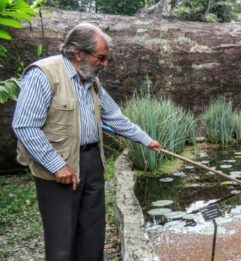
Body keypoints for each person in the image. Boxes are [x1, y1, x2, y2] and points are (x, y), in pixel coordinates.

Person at [12, 22, 162, 261]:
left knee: (92, 235)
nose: (104, 64)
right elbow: (25, 125)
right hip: (58, 167)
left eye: (107, 59)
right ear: (79, 52)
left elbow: (114, 116)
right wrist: (56, 165)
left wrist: (146, 140)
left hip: (92, 162)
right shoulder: (43, 74)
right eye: (101, 58)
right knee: (61, 241)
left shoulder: (91, 79)